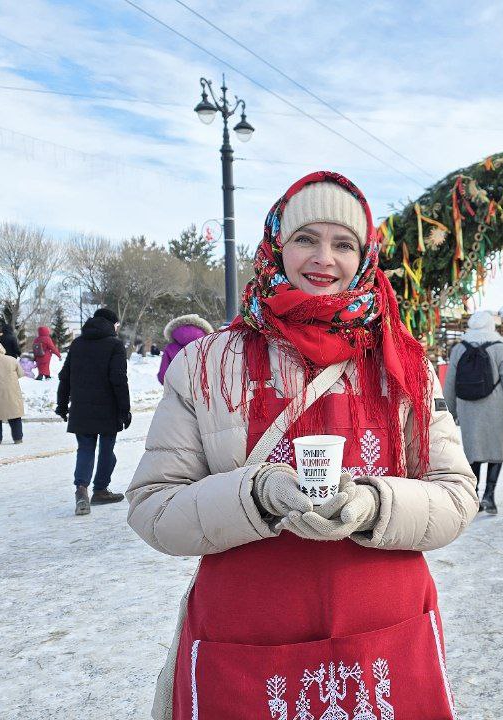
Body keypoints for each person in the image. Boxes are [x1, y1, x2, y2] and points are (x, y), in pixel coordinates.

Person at [126, 172, 477, 720]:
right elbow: (154, 507)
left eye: (343, 244)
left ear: (364, 257)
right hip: (245, 636)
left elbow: (456, 497)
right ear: (276, 246)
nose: (323, 258)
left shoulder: (404, 367)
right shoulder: (208, 366)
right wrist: (255, 495)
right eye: (306, 239)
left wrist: (375, 504)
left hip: (385, 636)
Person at [444, 310, 503, 515]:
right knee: (497, 451)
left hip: (468, 407)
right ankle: (490, 495)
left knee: (473, 452)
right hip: (496, 406)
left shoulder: (460, 348)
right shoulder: (500, 347)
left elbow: (450, 382)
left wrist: (449, 411)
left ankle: (474, 496)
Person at [56, 307, 131, 515]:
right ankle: (100, 490)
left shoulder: (78, 344)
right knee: (107, 451)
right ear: (111, 324)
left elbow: (65, 377)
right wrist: (125, 410)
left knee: (85, 450)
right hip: (108, 409)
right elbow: (118, 379)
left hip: (81, 409)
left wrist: (61, 404)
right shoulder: (115, 345)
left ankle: (81, 490)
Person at [157, 314, 213, 385]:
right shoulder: (207, 347)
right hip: (203, 390)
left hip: (177, 389)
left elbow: (163, 376)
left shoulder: (170, 348)